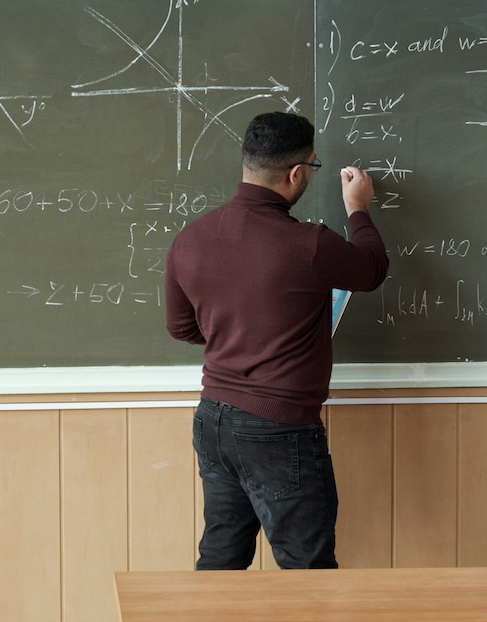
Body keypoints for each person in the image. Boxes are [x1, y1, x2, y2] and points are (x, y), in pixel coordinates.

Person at [164, 111, 389, 570]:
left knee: (221, 557)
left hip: (214, 420)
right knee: (307, 569)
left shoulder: (189, 239)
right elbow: (371, 269)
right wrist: (358, 208)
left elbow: (182, 327)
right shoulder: (309, 244)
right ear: (296, 172)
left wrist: (242, 330)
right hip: (279, 427)